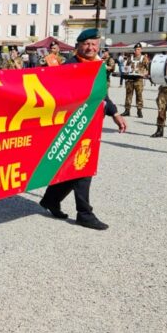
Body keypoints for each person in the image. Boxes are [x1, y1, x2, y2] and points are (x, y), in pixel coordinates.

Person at [39, 28, 126, 230]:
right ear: (78, 45)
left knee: (76, 166)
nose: (90, 47)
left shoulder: (98, 66)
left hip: (91, 124)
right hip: (72, 123)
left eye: (94, 44)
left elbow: (102, 95)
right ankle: (84, 213)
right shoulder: (69, 66)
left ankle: (51, 200)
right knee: (82, 166)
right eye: (86, 44)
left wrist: (115, 113)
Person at [122, 43, 149, 118]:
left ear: (141, 50)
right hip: (130, 78)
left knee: (139, 95)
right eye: (136, 49)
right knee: (128, 95)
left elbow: (148, 68)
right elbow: (126, 66)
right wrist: (126, 71)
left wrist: (145, 73)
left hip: (138, 79)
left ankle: (139, 110)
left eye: (139, 49)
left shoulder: (144, 58)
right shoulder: (130, 57)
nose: (137, 51)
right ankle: (127, 110)